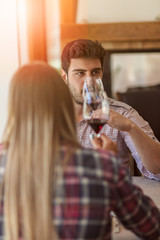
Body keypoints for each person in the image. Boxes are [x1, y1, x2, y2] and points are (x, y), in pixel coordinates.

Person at [0, 62, 159, 240]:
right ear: (63, 101)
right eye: (80, 73)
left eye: (95, 72)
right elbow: (151, 226)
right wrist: (112, 166)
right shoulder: (101, 166)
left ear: (13, 108)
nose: (87, 82)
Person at [61, 38, 160, 181]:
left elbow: (158, 169)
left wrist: (131, 127)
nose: (90, 82)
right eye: (80, 73)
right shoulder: (49, 117)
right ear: (65, 77)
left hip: (112, 199)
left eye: (95, 72)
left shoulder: (123, 113)